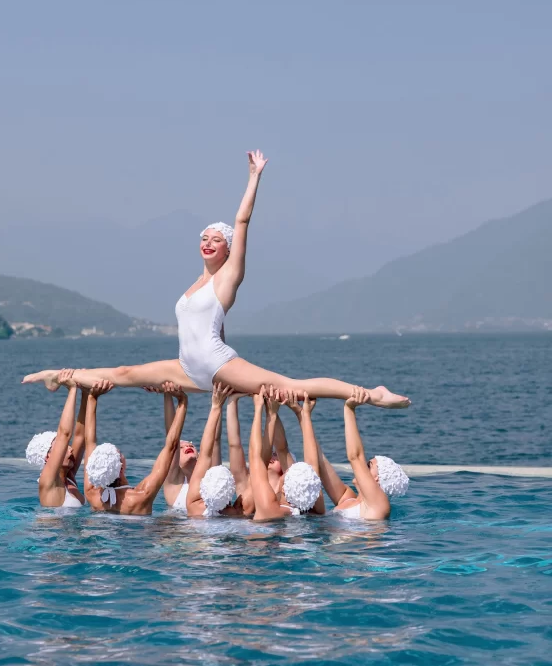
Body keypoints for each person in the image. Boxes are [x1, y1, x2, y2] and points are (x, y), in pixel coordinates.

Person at [23, 151, 410, 409]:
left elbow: (241, 221)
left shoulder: (228, 278)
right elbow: (213, 326)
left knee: (292, 386)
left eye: (216, 240)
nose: (208, 243)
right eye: (204, 238)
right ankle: (58, 376)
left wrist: (254, 177)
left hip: (217, 364)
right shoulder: (194, 284)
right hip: (187, 367)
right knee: (123, 375)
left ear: (227, 250)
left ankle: (372, 395)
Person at [83, 380, 188, 515]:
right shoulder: (141, 495)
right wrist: (182, 401)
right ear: (121, 467)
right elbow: (171, 446)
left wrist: (92, 398)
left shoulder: (92, 494)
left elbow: (89, 442)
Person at [317, 386, 410, 521]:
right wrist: (302, 412)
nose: (363, 467)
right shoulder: (348, 499)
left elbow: (356, 457)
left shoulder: (379, 506)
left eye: (368, 465)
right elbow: (320, 460)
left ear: (378, 479)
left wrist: (349, 409)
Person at [249, 387, 325, 522]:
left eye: (286, 476)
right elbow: (312, 463)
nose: (286, 472)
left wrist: (260, 409)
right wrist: (304, 415)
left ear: (284, 489)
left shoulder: (269, 509)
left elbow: (255, 456)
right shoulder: (316, 508)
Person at [25, 369, 98, 508]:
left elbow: (80, 436)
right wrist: (72, 390)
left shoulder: (68, 477)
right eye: (63, 448)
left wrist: (85, 393)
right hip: (50, 530)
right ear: (48, 457)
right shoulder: (48, 482)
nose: (70, 450)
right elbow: (64, 434)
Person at [147, 382, 222, 511]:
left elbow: (215, 440)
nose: (187, 445)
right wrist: (167, 393)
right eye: (181, 448)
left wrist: (218, 400)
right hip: (178, 530)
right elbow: (172, 438)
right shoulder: (175, 484)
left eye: (190, 445)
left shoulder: (211, 476)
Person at [186, 384, 244, 518]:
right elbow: (235, 446)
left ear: (203, 488)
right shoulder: (238, 512)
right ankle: (233, 400)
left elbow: (205, 453)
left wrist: (215, 406)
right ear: (232, 490)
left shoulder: (193, 507)